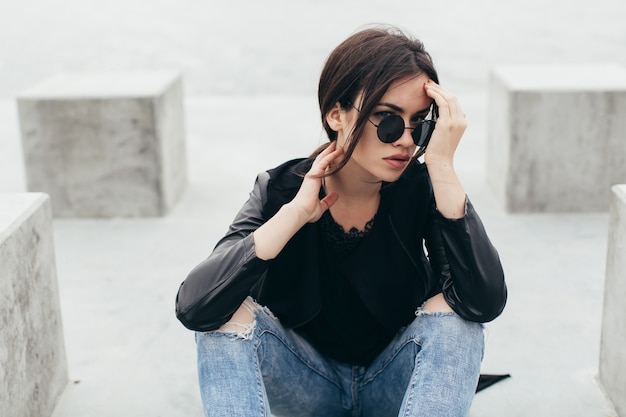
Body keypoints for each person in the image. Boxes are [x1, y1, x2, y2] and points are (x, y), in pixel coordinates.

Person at [175, 24, 507, 417]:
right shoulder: (282, 189)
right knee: (223, 312)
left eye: (419, 124)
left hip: (394, 383)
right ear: (337, 114)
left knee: (457, 321)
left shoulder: (423, 187)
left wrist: (442, 165)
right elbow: (195, 308)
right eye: (387, 119)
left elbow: (483, 304)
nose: (404, 139)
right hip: (304, 385)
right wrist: (296, 215)